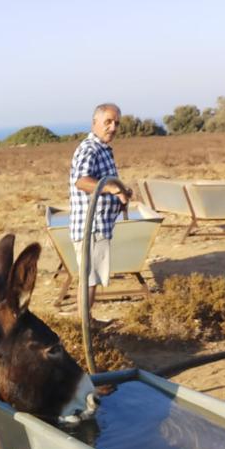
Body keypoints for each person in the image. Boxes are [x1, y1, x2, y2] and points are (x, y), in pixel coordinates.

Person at [69, 103, 133, 321]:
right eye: (108, 122)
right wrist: (113, 188)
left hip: (100, 226)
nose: (113, 127)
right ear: (94, 122)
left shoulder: (102, 149)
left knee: (91, 277)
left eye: (116, 123)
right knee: (89, 278)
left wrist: (120, 193)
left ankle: (87, 322)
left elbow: (103, 183)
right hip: (91, 226)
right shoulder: (89, 149)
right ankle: (84, 326)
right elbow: (82, 181)